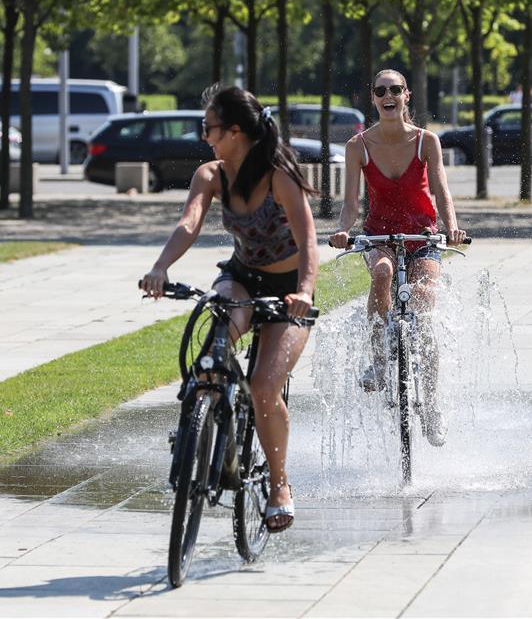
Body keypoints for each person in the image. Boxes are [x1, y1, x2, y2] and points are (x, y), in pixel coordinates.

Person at [141, 85, 319, 533]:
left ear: (236, 131)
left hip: (287, 289)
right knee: (213, 343)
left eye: (210, 129)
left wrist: (307, 291)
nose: (205, 137)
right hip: (242, 276)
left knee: (263, 386)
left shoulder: (278, 175)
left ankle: (279, 485)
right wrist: (160, 267)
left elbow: (308, 238)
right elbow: (189, 222)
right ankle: (201, 433)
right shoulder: (211, 174)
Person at [329, 69, 467, 447]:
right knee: (382, 273)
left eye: (395, 89)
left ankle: (433, 404)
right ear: (372, 98)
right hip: (380, 234)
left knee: (424, 307)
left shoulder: (427, 141)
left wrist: (451, 227)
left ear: (406, 96)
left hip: (420, 235)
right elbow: (351, 203)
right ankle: (377, 359)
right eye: (380, 90)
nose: (388, 96)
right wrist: (343, 230)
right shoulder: (359, 145)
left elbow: (441, 190)